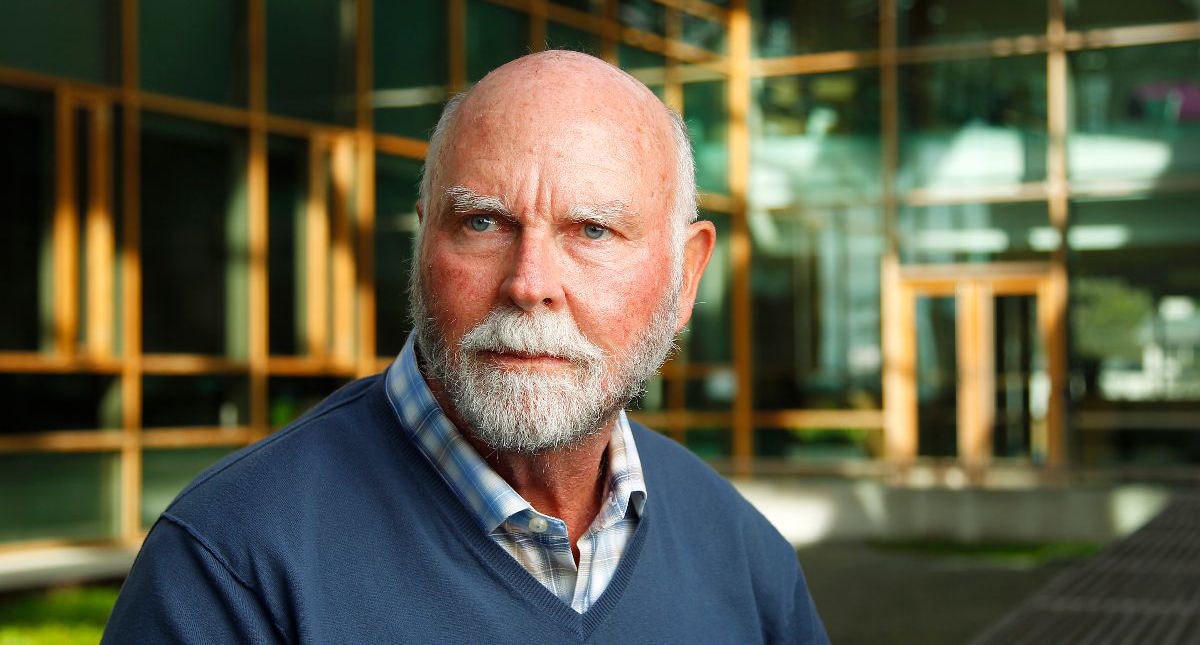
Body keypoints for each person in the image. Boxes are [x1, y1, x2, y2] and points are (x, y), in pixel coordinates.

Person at [102, 51, 828, 644]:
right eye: (483, 223)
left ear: (686, 275)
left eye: (593, 230)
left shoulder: (744, 555)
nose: (529, 284)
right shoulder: (232, 565)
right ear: (423, 243)